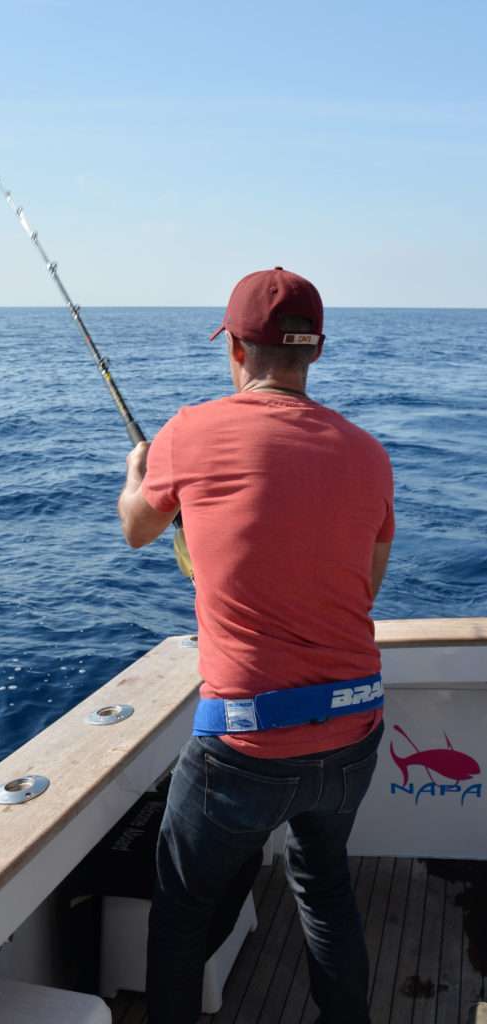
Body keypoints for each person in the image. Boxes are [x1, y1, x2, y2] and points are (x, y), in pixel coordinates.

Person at [117, 267, 394, 1024]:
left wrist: (138, 472)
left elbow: (137, 530)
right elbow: (363, 586)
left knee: (180, 909)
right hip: (354, 727)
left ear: (236, 348)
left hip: (243, 746)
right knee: (323, 885)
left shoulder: (190, 431)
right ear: (315, 352)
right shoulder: (368, 453)